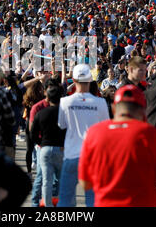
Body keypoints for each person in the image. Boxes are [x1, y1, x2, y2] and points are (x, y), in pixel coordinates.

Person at [78, 85, 156, 206]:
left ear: (113, 108)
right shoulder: (149, 133)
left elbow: (85, 182)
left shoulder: (94, 132)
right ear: (142, 110)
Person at [57, 64, 110, 207]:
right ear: (90, 80)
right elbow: (106, 129)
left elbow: (62, 125)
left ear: (73, 80)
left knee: (65, 200)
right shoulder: (100, 102)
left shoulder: (65, 102)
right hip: (93, 157)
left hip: (71, 154)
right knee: (93, 201)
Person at [30, 84, 66, 207]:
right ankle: (59, 204)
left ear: (48, 98)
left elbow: (32, 133)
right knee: (60, 179)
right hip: (61, 149)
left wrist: (41, 144)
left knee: (46, 180)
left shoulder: (41, 113)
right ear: (61, 98)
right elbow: (71, 131)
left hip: (45, 148)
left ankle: (47, 205)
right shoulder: (65, 113)